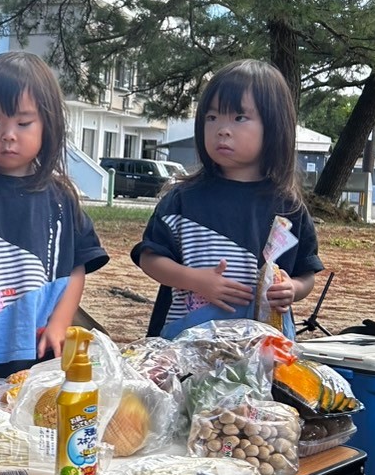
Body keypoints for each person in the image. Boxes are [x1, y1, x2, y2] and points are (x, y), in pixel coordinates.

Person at [0, 52, 108, 383]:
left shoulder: (63, 199)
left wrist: (60, 323)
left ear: (49, 123)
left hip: (43, 351)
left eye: (23, 123)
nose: (8, 134)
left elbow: (76, 268)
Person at [132, 59, 323, 338]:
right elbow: (149, 258)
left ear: (274, 127)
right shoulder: (182, 199)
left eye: (238, 117)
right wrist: (196, 280)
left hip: (262, 351)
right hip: (184, 347)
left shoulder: (288, 208)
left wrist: (293, 290)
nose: (222, 129)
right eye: (212, 117)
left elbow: (306, 273)